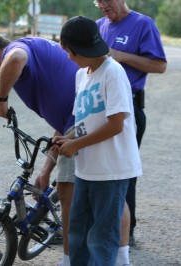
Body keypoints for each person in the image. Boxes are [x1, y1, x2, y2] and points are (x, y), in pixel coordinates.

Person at [0, 32, 133, 266]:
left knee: (74, 191)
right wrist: (46, 169)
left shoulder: (17, 50)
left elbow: (14, 59)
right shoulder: (38, 56)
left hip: (83, 125)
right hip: (72, 126)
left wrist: (1, 98)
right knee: (107, 194)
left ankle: (74, 259)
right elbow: (61, 125)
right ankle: (115, 257)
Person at [55, 15, 142, 266]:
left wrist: (75, 145)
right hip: (87, 169)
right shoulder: (82, 75)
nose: (68, 56)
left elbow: (116, 124)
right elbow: (84, 120)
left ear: (72, 48)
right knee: (79, 232)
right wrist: (66, 138)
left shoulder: (112, 73)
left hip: (111, 169)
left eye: (68, 51)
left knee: (101, 237)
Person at [94, 0, 167, 245]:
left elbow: (160, 65)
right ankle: (98, 225)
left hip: (127, 106)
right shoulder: (98, 27)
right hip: (97, 106)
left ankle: (126, 231)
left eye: (106, 0)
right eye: (98, 1)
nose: (102, 5)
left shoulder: (142, 24)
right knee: (95, 166)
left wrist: (119, 56)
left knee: (123, 170)